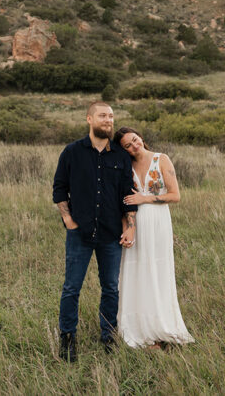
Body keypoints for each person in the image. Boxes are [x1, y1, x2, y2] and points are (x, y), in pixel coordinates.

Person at [52, 102, 137, 362]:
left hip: (111, 234)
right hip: (80, 233)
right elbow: (59, 188)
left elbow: (127, 195)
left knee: (110, 287)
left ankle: (108, 337)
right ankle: (68, 339)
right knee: (71, 288)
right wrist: (68, 218)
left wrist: (130, 226)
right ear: (89, 119)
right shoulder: (72, 152)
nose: (108, 120)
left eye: (111, 116)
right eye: (102, 116)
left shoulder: (121, 157)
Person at [113, 126, 194, 349]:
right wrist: (127, 228)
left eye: (135, 140)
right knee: (134, 271)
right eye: (127, 145)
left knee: (157, 271)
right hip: (134, 225)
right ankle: (137, 327)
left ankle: (161, 326)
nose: (134, 146)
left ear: (142, 138)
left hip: (157, 223)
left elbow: (174, 195)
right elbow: (122, 201)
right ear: (123, 150)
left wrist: (144, 198)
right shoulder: (124, 167)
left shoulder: (161, 159)